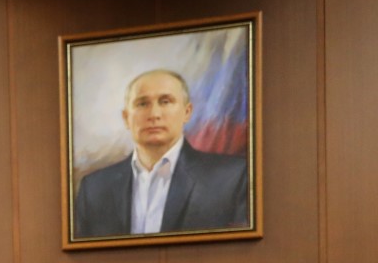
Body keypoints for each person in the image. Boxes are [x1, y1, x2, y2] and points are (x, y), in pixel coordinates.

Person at [72, 68, 249, 238]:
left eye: (165, 101)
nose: (154, 114)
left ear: (187, 112)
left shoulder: (232, 178)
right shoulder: (93, 189)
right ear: (126, 118)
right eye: (142, 104)